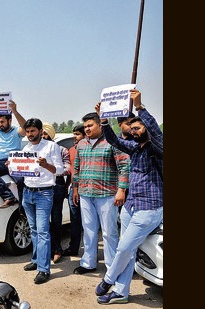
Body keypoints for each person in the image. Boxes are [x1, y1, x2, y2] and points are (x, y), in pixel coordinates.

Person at [94, 89, 163, 304]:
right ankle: (121, 292)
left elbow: (155, 132)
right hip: (131, 206)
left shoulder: (158, 147)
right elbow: (114, 141)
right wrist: (104, 121)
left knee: (123, 247)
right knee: (129, 251)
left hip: (149, 208)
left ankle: (108, 279)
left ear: (146, 128)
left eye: (138, 127)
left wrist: (140, 107)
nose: (134, 131)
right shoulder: (135, 148)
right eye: (132, 128)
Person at [71, 112, 130, 275]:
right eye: (85, 126)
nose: (87, 129)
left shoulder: (112, 142)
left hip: (107, 194)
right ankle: (88, 263)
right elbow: (76, 167)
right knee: (88, 230)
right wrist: (75, 188)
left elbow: (124, 166)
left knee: (109, 232)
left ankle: (113, 267)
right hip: (85, 193)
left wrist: (121, 189)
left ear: (99, 125)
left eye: (90, 125)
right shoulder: (81, 144)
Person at [19, 118, 64, 285]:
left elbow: (59, 170)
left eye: (33, 131)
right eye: (28, 131)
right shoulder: (26, 148)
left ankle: (44, 270)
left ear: (39, 130)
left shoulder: (51, 146)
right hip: (28, 192)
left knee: (44, 232)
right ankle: (37, 259)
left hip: (44, 193)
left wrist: (46, 165)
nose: (30, 134)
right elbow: (21, 170)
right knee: (34, 230)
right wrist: (12, 165)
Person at [41, 123, 71, 264]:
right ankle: (45, 251)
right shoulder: (37, 149)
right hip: (41, 186)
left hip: (56, 185)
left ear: (50, 134)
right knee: (43, 222)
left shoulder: (62, 150)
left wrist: (50, 167)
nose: (43, 136)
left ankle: (57, 250)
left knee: (56, 220)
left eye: (45, 134)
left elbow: (67, 168)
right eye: (41, 133)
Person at [62, 124, 86, 257]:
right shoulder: (71, 150)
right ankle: (74, 247)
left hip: (88, 189)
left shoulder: (88, 149)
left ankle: (90, 251)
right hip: (73, 189)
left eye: (77, 134)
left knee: (89, 222)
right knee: (75, 220)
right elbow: (71, 172)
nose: (74, 136)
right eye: (74, 134)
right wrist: (67, 187)